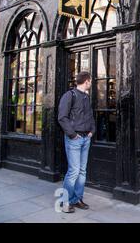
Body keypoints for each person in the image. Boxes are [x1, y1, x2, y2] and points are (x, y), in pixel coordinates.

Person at [58, 72, 95, 213]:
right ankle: (65, 202)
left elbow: (90, 116)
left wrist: (92, 130)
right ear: (86, 81)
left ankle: (77, 199)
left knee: (82, 171)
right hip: (75, 139)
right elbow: (62, 117)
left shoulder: (86, 97)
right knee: (73, 171)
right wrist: (73, 135)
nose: (91, 83)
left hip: (86, 139)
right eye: (90, 81)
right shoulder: (70, 95)